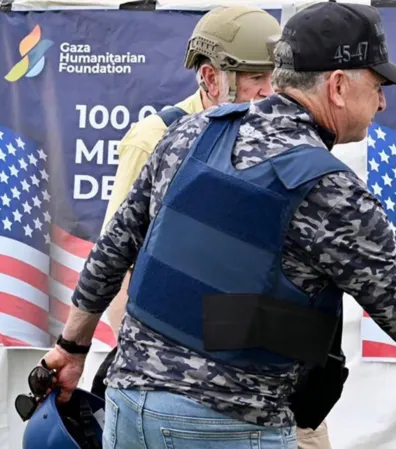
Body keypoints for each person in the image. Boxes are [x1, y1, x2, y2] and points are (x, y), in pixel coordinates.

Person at [39, 3, 396, 449]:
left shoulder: (190, 134)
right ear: (338, 87)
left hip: (128, 408)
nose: (382, 105)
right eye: (377, 88)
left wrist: (71, 348)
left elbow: (111, 250)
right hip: (226, 425)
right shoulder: (334, 191)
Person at [92, 5, 333, 448]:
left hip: (276, 378)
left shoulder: (293, 137)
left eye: (276, 76)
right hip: (193, 393)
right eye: (257, 79)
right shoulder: (159, 137)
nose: (271, 91)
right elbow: (117, 264)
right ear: (210, 79)